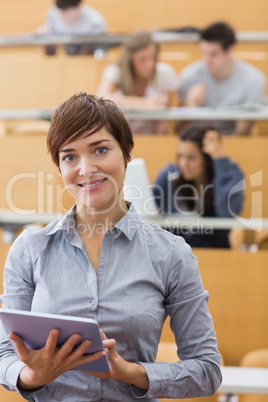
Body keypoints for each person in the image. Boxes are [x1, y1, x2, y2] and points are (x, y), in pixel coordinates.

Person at [0, 93, 222, 401]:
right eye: (70, 157)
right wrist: (31, 375)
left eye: (100, 150)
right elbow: (4, 355)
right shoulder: (28, 249)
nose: (86, 169)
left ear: (128, 151)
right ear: (59, 166)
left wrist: (129, 372)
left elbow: (207, 370)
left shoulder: (171, 254)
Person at [153, 123, 244, 248]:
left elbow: (227, 213)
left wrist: (220, 159)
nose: (183, 163)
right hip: (175, 257)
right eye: (180, 156)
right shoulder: (169, 177)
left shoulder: (228, 174)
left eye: (191, 157)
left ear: (207, 159)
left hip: (214, 255)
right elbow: (149, 211)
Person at [178, 22, 266, 136]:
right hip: (196, 143)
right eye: (204, 53)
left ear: (230, 50)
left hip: (233, 144)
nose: (207, 60)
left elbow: (243, 132)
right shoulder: (190, 76)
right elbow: (180, 130)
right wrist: (190, 108)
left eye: (214, 54)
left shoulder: (253, 80)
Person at [96, 31, 179, 134]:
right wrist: (145, 103)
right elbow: (101, 97)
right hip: (121, 135)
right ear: (130, 59)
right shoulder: (116, 71)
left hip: (152, 137)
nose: (150, 65)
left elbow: (163, 119)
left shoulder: (164, 73)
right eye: (142, 59)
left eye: (153, 57)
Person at [37, 0, 107, 55]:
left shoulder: (94, 21)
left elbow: (100, 49)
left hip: (86, 56)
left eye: (65, 11)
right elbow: (48, 32)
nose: (60, 15)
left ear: (79, 7)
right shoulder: (53, 13)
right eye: (59, 10)